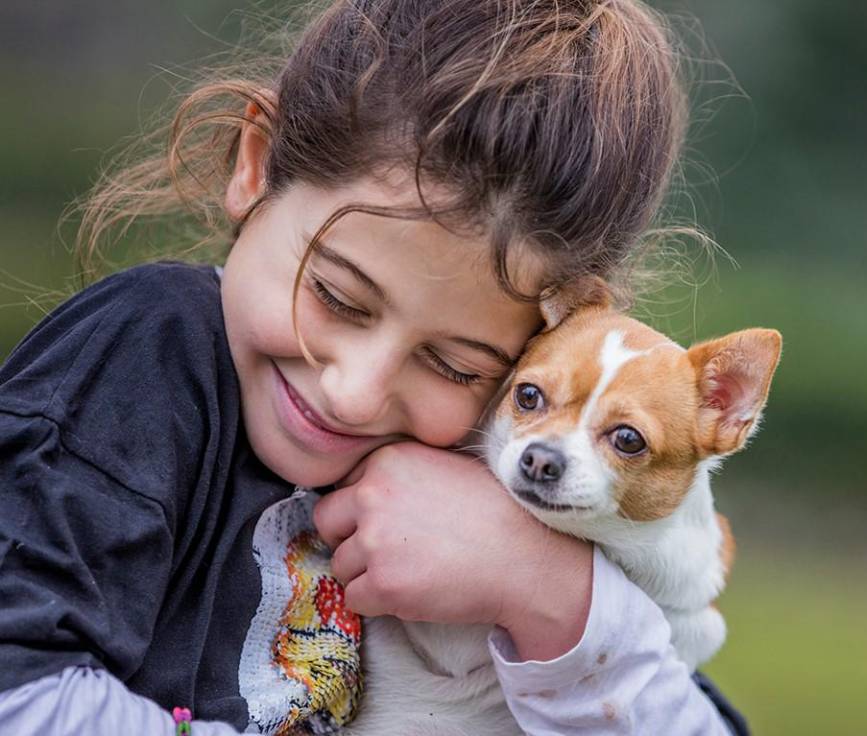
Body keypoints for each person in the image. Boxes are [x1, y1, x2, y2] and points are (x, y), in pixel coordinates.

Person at [0, 0, 749, 733]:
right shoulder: (154, 354)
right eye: (337, 296)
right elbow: (18, 693)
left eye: (454, 364)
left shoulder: (507, 477)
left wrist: (550, 596)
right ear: (256, 164)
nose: (355, 395)